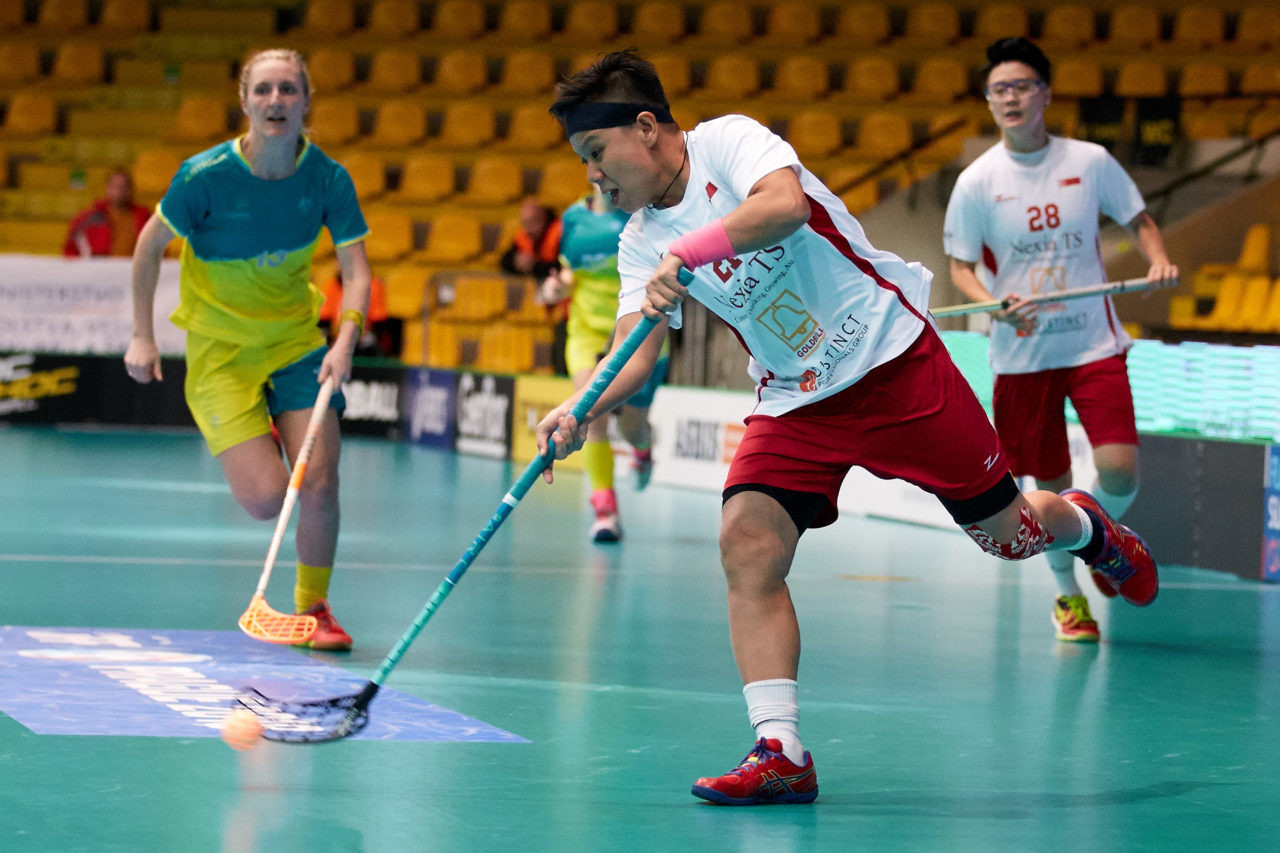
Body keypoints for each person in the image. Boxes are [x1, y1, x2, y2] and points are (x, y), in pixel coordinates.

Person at [534, 49, 1158, 806]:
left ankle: (1089, 527)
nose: (594, 176)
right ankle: (780, 748)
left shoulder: (727, 143)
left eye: (596, 154)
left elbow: (785, 205)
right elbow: (632, 351)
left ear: (644, 127)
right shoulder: (637, 240)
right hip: (796, 399)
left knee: (1010, 536)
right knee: (746, 541)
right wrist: (581, 406)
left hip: (894, 361)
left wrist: (692, 250)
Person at [123, 48, 372, 652]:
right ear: (244, 102)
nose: (276, 101)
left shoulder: (328, 179)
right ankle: (256, 433)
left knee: (318, 478)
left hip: (295, 344)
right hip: (221, 353)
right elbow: (148, 246)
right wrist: (142, 332)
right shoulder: (203, 177)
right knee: (266, 500)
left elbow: (356, 272)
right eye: (263, 91)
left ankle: (313, 610)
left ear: (306, 101)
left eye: (288, 90)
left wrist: (345, 338)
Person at [943, 37, 1178, 644]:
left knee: (1119, 473)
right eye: (999, 89)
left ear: (1044, 94)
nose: (1011, 98)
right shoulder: (977, 181)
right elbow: (960, 267)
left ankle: (1101, 536)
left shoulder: (1090, 160)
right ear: (989, 101)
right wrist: (993, 302)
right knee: (1041, 492)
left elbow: (1139, 220)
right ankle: (1070, 600)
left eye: (1022, 86)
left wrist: (1157, 261)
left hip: (1093, 342)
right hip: (1023, 358)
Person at [541, 183, 668, 542]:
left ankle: (642, 449)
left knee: (632, 428)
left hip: (637, 335)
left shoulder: (641, 213)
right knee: (586, 416)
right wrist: (557, 288)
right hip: (586, 333)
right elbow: (569, 270)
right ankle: (605, 509)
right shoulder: (572, 218)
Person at [62, 168, 152, 258]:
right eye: (116, 187)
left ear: (131, 189)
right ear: (107, 188)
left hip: (134, 269)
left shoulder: (144, 217)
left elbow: (156, 246)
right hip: (100, 269)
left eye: (124, 187)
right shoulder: (88, 218)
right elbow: (71, 250)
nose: (120, 191)